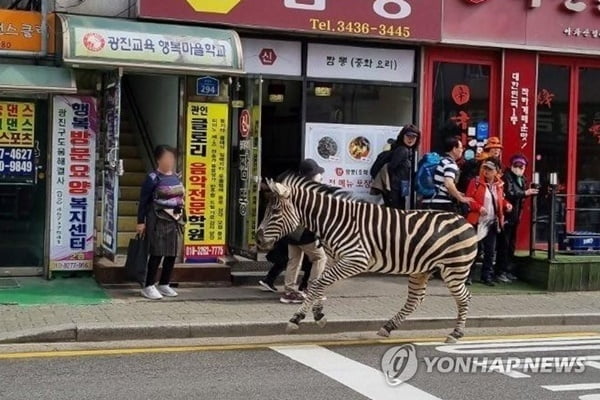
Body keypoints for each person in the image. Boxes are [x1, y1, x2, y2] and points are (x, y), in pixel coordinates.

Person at [136, 145, 185, 300]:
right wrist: (140, 222)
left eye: (172, 158)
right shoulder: (152, 178)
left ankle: (164, 283)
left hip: (174, 221)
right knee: (157, 252)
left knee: (171, 253)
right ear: (158, 159)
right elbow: (143, 202)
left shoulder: (176, 177)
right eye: (167, 158)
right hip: (157, 220)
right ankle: (148, 285)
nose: (170, 161)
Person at [280, 159, 328, 304]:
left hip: (291, 232)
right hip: (305, 234)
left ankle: (289, 292)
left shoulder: (294, 188)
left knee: (294, 261)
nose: (320, 176)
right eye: (318, 174)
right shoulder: (311, 192)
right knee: (320, 258)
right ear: (311, 176)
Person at [465, 157, 512, 286]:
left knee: (490, 251)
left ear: (496, 172)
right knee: (475, 249)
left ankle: (486, 276)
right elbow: (469, 199)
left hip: (492, 221)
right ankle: (468, 275)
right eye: (485, 168)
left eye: (490, 169)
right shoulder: (475, 182)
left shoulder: (499, 185)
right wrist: (479, 207)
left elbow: (500, 200)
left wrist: (507, 205)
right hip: (477, 221)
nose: (486, 172)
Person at [496, 154, 539, 282]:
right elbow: (510, 193)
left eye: (522, 166)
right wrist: (525, 193)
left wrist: (526, 193)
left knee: (511, 245)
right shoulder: (507, 177)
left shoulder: (522, 179)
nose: (519, 168)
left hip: (515, 216)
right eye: (517, 165)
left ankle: (507, 270)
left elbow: (519, 195)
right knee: (504, 244)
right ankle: (500, 271)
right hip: (507, 215)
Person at [422, 135, 471, 212]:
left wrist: (457, 193)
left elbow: (439, 183)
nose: (462, 150)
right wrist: (461, 199)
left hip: (427, 201)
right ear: (454, 149)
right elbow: (448, 183)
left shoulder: (441, 161)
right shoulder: (450, 164)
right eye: (461, 148)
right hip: (440, 204)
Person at [387, 125, 420, 209]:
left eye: (414, 137)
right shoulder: (402, 150)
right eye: (408, 136)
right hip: (395, 189)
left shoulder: (408, 150)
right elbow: (391, 167)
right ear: (402, 136)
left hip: (401, 187)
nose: (410, 139)